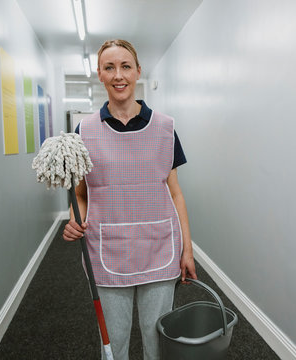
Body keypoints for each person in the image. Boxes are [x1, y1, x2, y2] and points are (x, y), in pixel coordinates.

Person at [62, 39, 197, 360]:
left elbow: (175, 191)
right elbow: (81, 194)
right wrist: (73, 218)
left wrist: (188, 249)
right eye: (110, 67)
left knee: (158, 342)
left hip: (160, 247)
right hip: (108, 250)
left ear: (138, 71)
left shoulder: (165, 128)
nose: (118, 75)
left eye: (125, 66)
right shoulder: (84, 131)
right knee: (114, 342)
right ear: (100, 74)